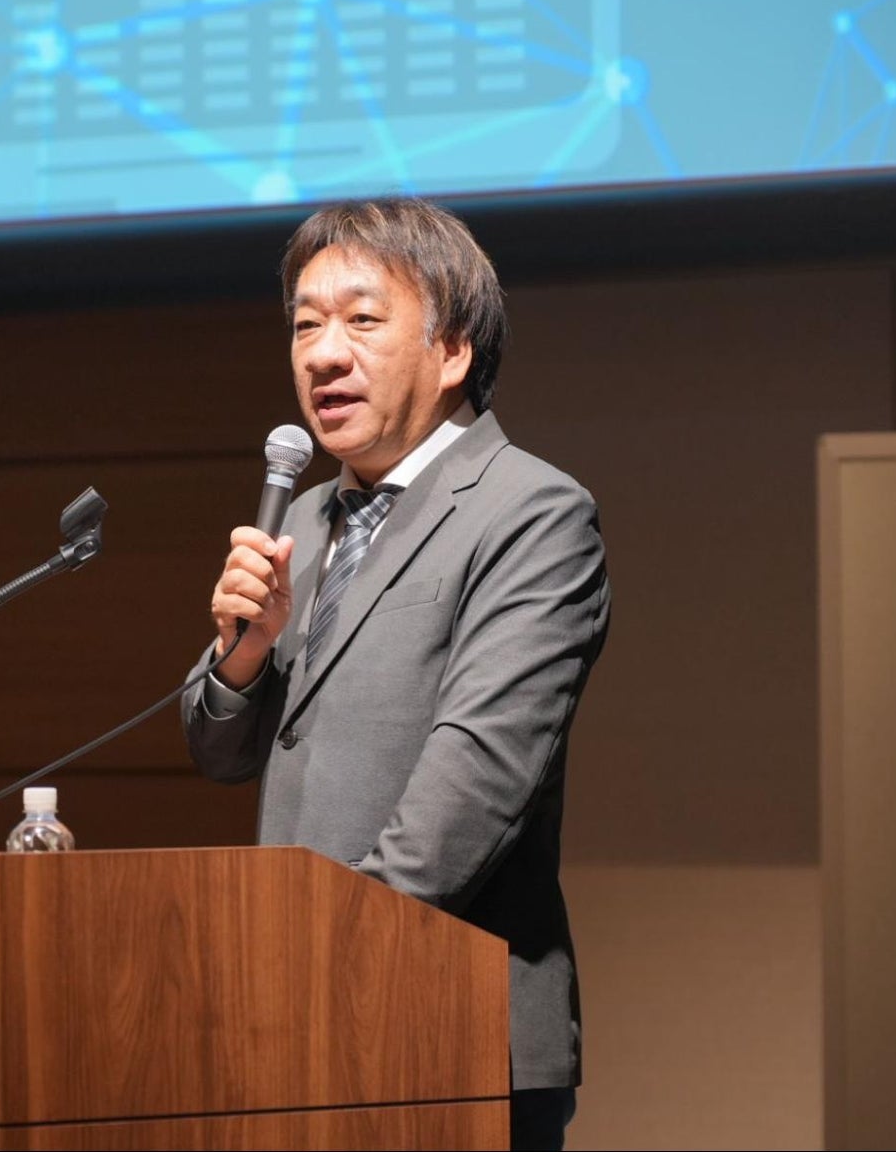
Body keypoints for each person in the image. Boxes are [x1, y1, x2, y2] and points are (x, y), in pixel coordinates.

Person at [181, 198, 610, 1152]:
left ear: (452, 350)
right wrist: (242, 654)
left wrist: (317, 960)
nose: (323, 355)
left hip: (446, 1024)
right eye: (305, 326)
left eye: (362, 320)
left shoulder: (532, 513)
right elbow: (219, 754)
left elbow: (478, 783)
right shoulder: (303, 521)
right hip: (295, 1020)